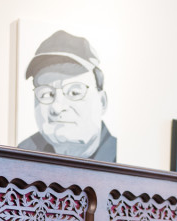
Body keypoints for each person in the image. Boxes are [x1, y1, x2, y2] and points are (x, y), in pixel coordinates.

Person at [16, 29, 116, 161]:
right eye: (46, 94)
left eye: (74, 92)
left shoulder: (125, 157)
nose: (57, 107)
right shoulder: (23, 155)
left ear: (102, 102)